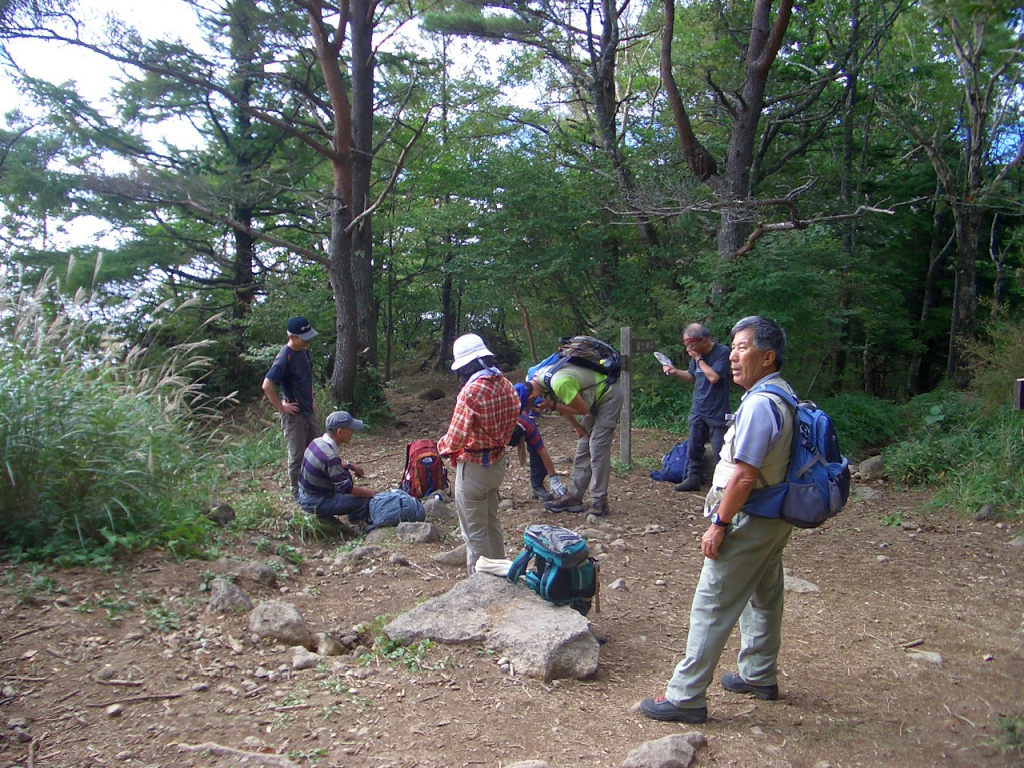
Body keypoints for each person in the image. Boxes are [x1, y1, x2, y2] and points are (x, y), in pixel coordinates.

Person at [640, 316, 797, 724]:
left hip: (751, 515)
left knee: (711, 602)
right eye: (734, 347)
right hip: (775, 515)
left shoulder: (761, 404)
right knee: (764, 594)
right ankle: (759, 673)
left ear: (768, 357)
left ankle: (686, 696)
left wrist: (720, 524)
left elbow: (744, 474)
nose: (733, 356)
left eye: (743, 347)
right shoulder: (782, 393)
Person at [437, 333, 520, 575]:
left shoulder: (471, 392)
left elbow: (455, 439)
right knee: (492, 523)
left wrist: (440, 447)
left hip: (474, 468)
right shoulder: (506, 384)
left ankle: (480, 584)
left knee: (474, 533)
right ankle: (503, 574)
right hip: (497, 465)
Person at [526, 356, 624, 517]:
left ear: (531, 398)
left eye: (530, 406)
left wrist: (550, 405)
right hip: (591, 399)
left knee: (597, 448)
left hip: (608, 396)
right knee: (583, 445)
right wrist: (577, 427)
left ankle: (600, 501)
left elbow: (582, 409)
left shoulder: (559, 383)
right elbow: (563, 404)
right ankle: (574, 496)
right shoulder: (534, 379)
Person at [661, 323, 732, 492]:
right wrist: (674, 371)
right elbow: (692, 376)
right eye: (686, 343)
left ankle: (722, 486)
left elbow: (714, 377)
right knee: (694, 447)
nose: (688, 347)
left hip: (717, 411)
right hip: (698, 408)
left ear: (704, 340)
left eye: (690, 343)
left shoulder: (722, 353)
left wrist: (698, 359)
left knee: (719, 451)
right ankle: (692, 478)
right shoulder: (697, 357)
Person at [262, 316, 319, 498]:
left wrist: (311, 400)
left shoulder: (303, 351)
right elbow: (267, 385)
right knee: (297, 456)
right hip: (294, 416)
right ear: (292, 337)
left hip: (309, 412)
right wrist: (281, 407)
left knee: (316, 450)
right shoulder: (283, 357)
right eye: (304, 337)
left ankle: (315, 486)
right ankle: (296, 493)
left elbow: (305, 379)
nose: (308, 340)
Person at [296, 411, 378, 523]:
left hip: (305, 494)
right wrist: (373, 493)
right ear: (340, 432)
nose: (353, 432)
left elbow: (325, 466)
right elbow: (347, 489)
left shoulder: (317, 442)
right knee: (364, 500)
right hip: (316, 502)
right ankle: (357, 520)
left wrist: (350, 465)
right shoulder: (330, 456)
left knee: (345, 474)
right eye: (350, 430)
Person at [509, 382, 568, 502]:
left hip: (520, 420)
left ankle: (537, 485)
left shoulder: (529, 426)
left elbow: (542, 451)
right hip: (500, 426)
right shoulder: (497, 420)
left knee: (536, 453)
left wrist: (554, 478)